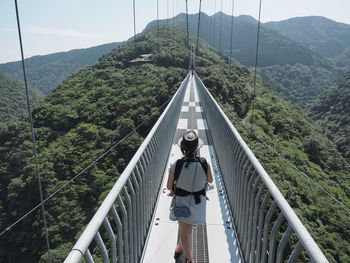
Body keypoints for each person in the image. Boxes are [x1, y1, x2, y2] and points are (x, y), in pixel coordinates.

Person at [167, 130, 213, 263]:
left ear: (182, 147)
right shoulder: (204, 163)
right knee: (188, 228)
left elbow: (169, 186)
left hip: (182, 202)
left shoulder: (177, 164)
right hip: (198, 203)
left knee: (184, 230)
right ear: (197, 147)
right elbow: (210, 180)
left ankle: (190, 260)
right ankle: (180, 248)